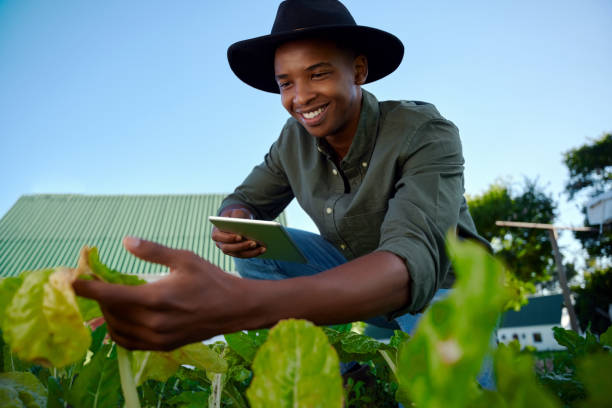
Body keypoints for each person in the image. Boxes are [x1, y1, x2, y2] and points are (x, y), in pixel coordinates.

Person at [74, 0, 492, 385]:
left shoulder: (425, 132)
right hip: (352, 285)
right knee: (265, 245)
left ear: (359, 71)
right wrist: (235, 218)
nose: (300, 97)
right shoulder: (293, 141)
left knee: (444, 393)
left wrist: (244, 304)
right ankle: (344, 373)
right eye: (285, 83)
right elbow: (245, 198)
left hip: (442, 287)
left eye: (319, 73)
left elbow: (411, 256)